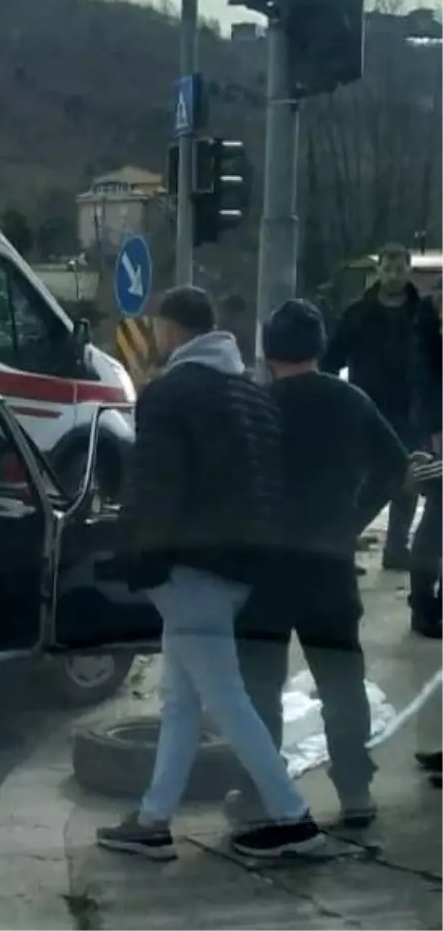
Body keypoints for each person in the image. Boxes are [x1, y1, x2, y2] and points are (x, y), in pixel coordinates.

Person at [96, 287, 325, 862]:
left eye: (159, 328)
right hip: (237, 568)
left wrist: (139, 559)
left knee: (223, 699)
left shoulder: (169, 394)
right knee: (182, 701)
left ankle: (291, 816)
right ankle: (153, 820)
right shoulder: (250, 393)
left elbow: (154, 485)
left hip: (188, 567)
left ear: (173, 330)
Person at [228, 299, 407, 831]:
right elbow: (396, 469)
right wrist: (354, 519)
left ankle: (262, 793)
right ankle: (355, 791)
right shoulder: (350, 400)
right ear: (320, 347)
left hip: (266, 569)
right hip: (329, 562)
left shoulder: (254, 405)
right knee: (341, 680)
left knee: (259, 684)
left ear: (269, 350)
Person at [321, 243, 423, 570]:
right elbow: (333, 357)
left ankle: (396, 548)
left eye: (400, 268)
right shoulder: (358, 313)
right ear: (378, 270)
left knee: (408, 478)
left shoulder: (422, 313)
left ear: (409, 270)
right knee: (368, 480)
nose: (394, 275)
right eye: (388, 268)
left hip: (410, 408)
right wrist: (330, 396)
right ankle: (340, 543)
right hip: (365, 407)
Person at [409, 278, 443, 636]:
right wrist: (436, 428)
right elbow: (427, 373)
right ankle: (423, 605)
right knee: (437, 515)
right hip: (439, 426)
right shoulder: (435, 305)